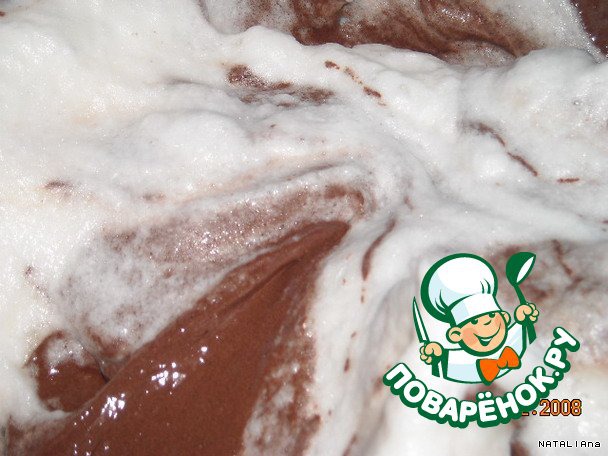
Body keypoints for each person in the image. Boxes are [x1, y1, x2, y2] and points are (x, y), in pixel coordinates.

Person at [418, 254, 539, 384]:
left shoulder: (515, 340)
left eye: (491, 316)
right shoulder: (462, 362)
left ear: (505, 317)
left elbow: (525, 334)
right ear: (456, 335)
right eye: (475, 321)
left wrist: (525, 318)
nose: (487, 324)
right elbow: (443, 366)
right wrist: (436, 356)